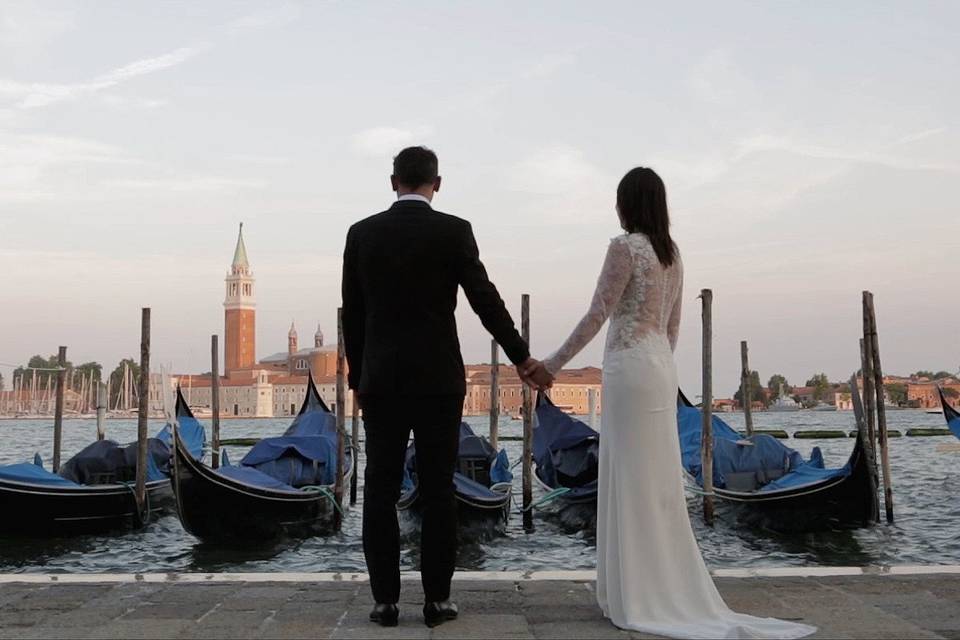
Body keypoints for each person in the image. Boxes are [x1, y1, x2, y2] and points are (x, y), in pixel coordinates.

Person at [531, 167, 816, 639]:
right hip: (660, 367)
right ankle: (655, 587)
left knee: (628, 476)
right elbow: (673, 328)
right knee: (656, 479)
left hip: (628, 367)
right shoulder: (673, 255)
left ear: (627, 204)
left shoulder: (623, 248)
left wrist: (552, 364)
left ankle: (636, 594)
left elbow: (597, 314)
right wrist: (658, 363)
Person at [341, 146, 552, 628]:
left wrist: (358, 378)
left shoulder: (362, 234)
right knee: (438, 489)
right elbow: (485, 301)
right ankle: (437, 601)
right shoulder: (454, 231)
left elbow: (352, 315)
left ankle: (385, 603)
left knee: (379, 489)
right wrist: (521, 358)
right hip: (438, 379)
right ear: (438, 183)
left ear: (393, 181)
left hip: (383, 380)